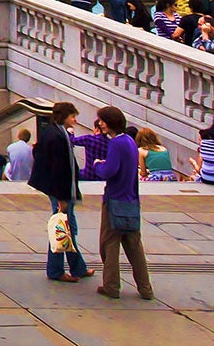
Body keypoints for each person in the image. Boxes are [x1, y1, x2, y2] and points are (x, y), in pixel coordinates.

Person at [88, 107, 150, 301]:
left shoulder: (116, 144)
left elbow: (109, 171)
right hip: (131, 201)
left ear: (111, 122)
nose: (100, 124)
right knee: (134, 247)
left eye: (102, 121)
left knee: (109, 245)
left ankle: (111, 286)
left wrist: (98, 164)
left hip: (114, 200)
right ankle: (145, 288)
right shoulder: (130, 141)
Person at [31, 102, 92, 283]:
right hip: (61, 190)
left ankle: (77, 267)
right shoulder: (57, 136)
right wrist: (61, 197)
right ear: (64, 116)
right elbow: (59, 169)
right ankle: (56, 270)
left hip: (61, 188)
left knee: (68, 227)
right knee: (62, 228)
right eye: (72, 116)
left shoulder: (54, 132)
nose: (74, 120)